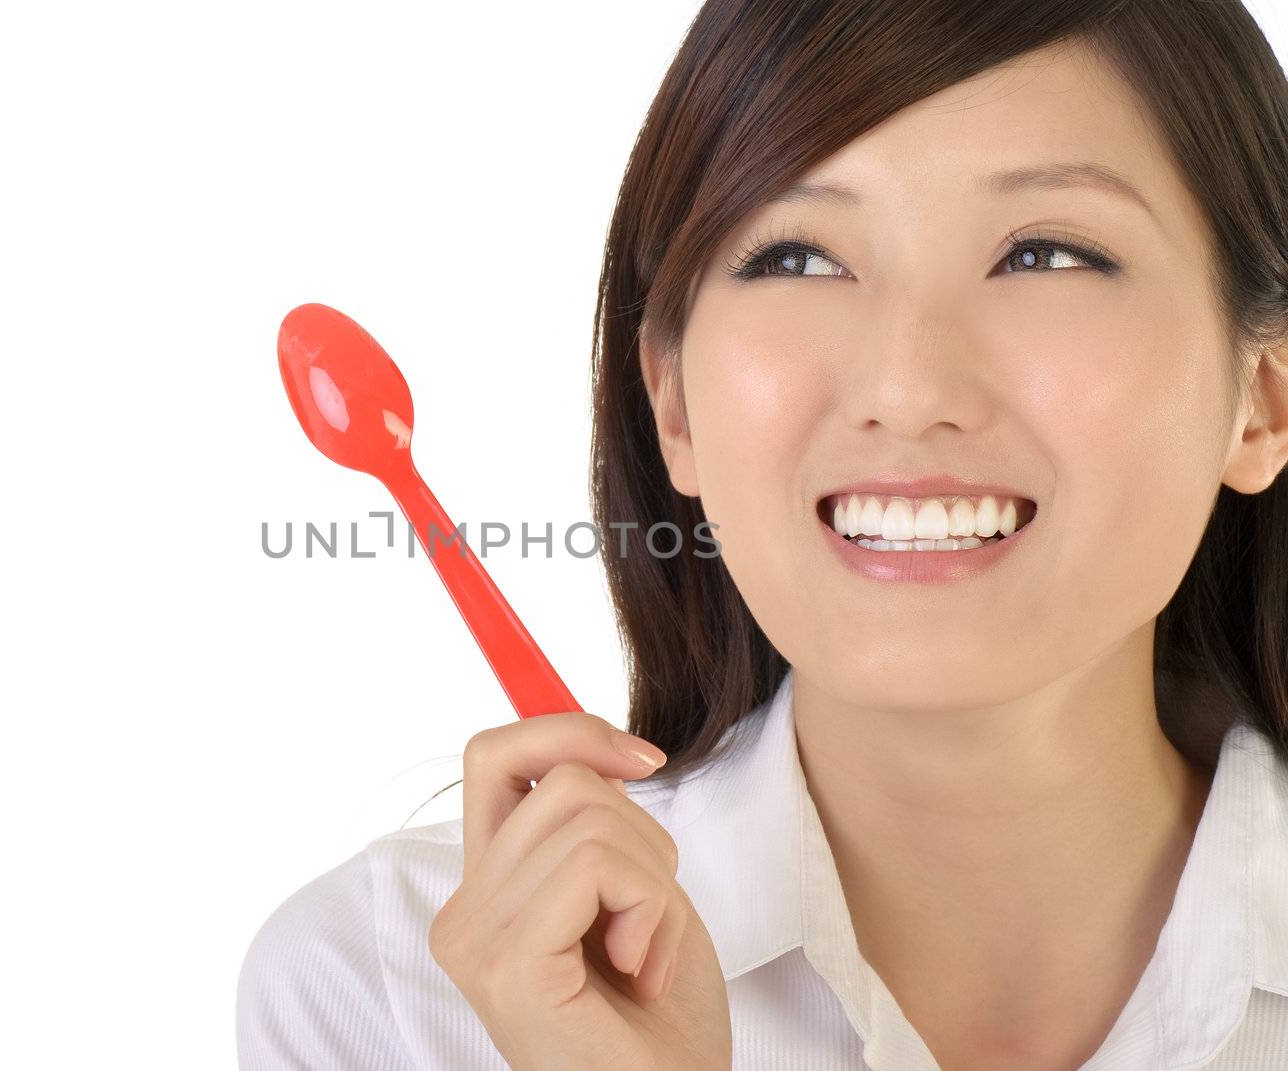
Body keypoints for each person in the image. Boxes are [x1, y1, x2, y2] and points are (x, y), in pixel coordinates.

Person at [237, 1, 1288, 1066]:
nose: (906, 386)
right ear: (675, 407)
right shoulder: (386, 992)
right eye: (796, 258)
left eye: (1046, 255)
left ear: (1263, 398)